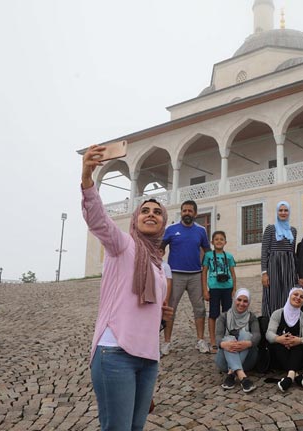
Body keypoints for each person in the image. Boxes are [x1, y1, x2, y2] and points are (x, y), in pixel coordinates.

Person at [81, 145, 174, 430]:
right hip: (115, 353)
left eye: (157, 212)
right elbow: (98, 220)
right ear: (135, 219)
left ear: (163, 222)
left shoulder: (159, 265)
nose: (151, 214)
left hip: (147, 358)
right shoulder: (123, 246)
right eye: (144, 210)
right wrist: (87, 178)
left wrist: (161, 315)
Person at [162, 199, 211, 354]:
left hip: (195, 275)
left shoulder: (201, 231)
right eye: (184, 211)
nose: (187, 213)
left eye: (190, 211)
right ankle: (167, 342)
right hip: (175, 275)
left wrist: (206, 269)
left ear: (195, 213)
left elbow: (207, 251)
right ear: (181, 212)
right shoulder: (171, 229)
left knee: (199, 309)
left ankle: (200, 340)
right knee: (170, 309)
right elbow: (160, 247)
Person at [266, 287, 303, 391]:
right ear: (289, 296)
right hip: (279, 356)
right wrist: (279, 339)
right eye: (295, 294)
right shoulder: (277, 314)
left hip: (298, 357)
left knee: (299, 346)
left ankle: (289, 377)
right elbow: (269, 334)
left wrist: (298, 340)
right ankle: (295, 375)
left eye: (302, 297)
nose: (298, 298)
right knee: (277, 345)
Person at [216, 289, 260, 393]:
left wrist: (248, 343)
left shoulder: (252, 317)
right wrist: (224, 344)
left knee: (246, 335)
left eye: (245, 301)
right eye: (239, 300)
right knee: (228, 339)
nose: (241, 303)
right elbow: (217, 337)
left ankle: (232, 374)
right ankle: (241, 376)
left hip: (247, 362)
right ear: (234, 300)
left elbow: (257, 335)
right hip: (224, 364)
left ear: (248, 303)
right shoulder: (224, 317)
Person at [261, 201, 298, 317]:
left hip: (289, 266)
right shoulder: (270, 229)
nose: (283, 213)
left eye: (286, 210)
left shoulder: (293, 231)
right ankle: (271, 325)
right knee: (273, 295)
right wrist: (264, 273)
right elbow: (264, 251)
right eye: (280, 210)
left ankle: (288, 323)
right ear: (277, 212)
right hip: (274, 265)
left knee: (289, 294)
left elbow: (292, 251)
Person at [202, 231, 236, 353]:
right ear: (212, 242)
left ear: (225, 242)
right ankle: (213, 341)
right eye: (216, 239)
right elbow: (204, 272)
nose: (219, 241)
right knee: (213, 314)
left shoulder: (229, 256)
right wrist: (205, 289)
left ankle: (226, 338)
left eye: (221, 239)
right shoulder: (208, 256)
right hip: (214, 288)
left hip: (227, 287)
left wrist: (234, 289)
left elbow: (233, 273)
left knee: (227, 314)